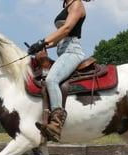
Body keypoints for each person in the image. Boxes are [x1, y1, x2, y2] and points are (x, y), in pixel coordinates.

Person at [28, 0, 90, 142]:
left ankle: (56, 123)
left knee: (51, 79)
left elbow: (67, 29)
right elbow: (57, 39)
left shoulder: (77, 4)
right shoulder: (67, 6)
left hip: (72, 51)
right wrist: (40, 46)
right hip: (62, 51)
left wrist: (42, 41)